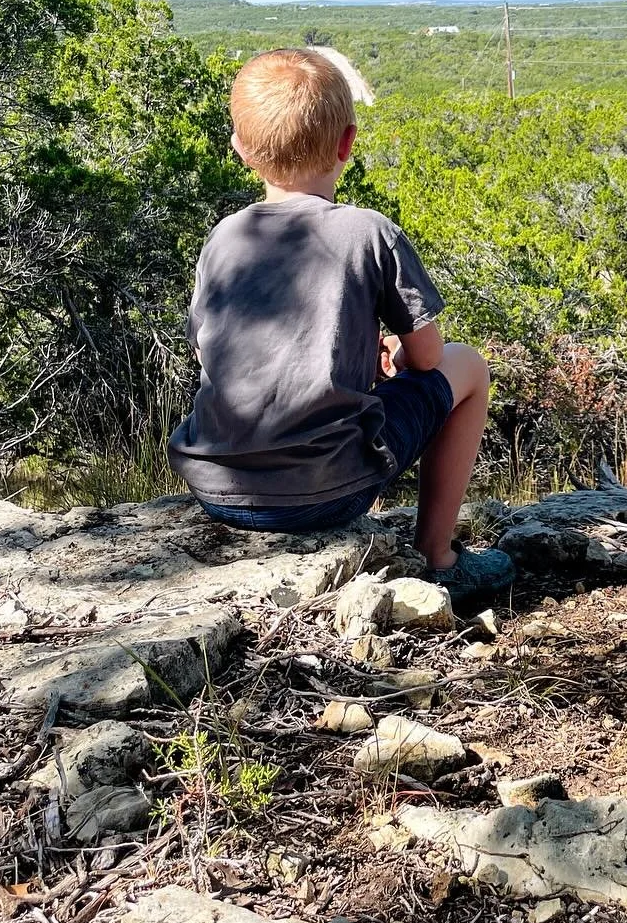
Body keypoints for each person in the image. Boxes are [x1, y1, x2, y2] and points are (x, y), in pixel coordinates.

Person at [168, 48, 515, 605]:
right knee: (468, 365)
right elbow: (427, 360)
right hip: (325, 496)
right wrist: (395, 358)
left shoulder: (225, 237)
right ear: (347, 144)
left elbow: (216, 352)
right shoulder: (369, 233)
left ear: (238, 149)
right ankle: (438, 555)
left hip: (216, 487)